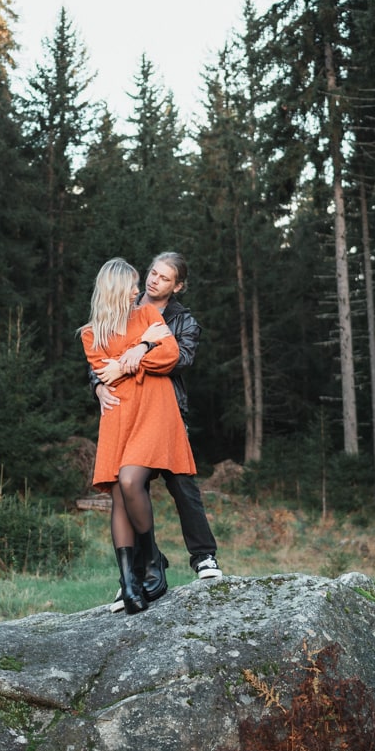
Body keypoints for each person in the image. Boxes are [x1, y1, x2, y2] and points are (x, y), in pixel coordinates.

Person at [92, 252, 222, 613]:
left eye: (164, 278)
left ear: (176, 286)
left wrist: (139, 351)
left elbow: (179, 358)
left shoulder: (182, 320)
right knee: (128, 489)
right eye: (152, 273)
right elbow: (101, 362)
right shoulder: (124, 307)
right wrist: (100, 385)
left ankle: (203, 557)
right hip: (125, 411)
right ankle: (134, 575)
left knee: (181, 483)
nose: (153, 281)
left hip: (166, 409)